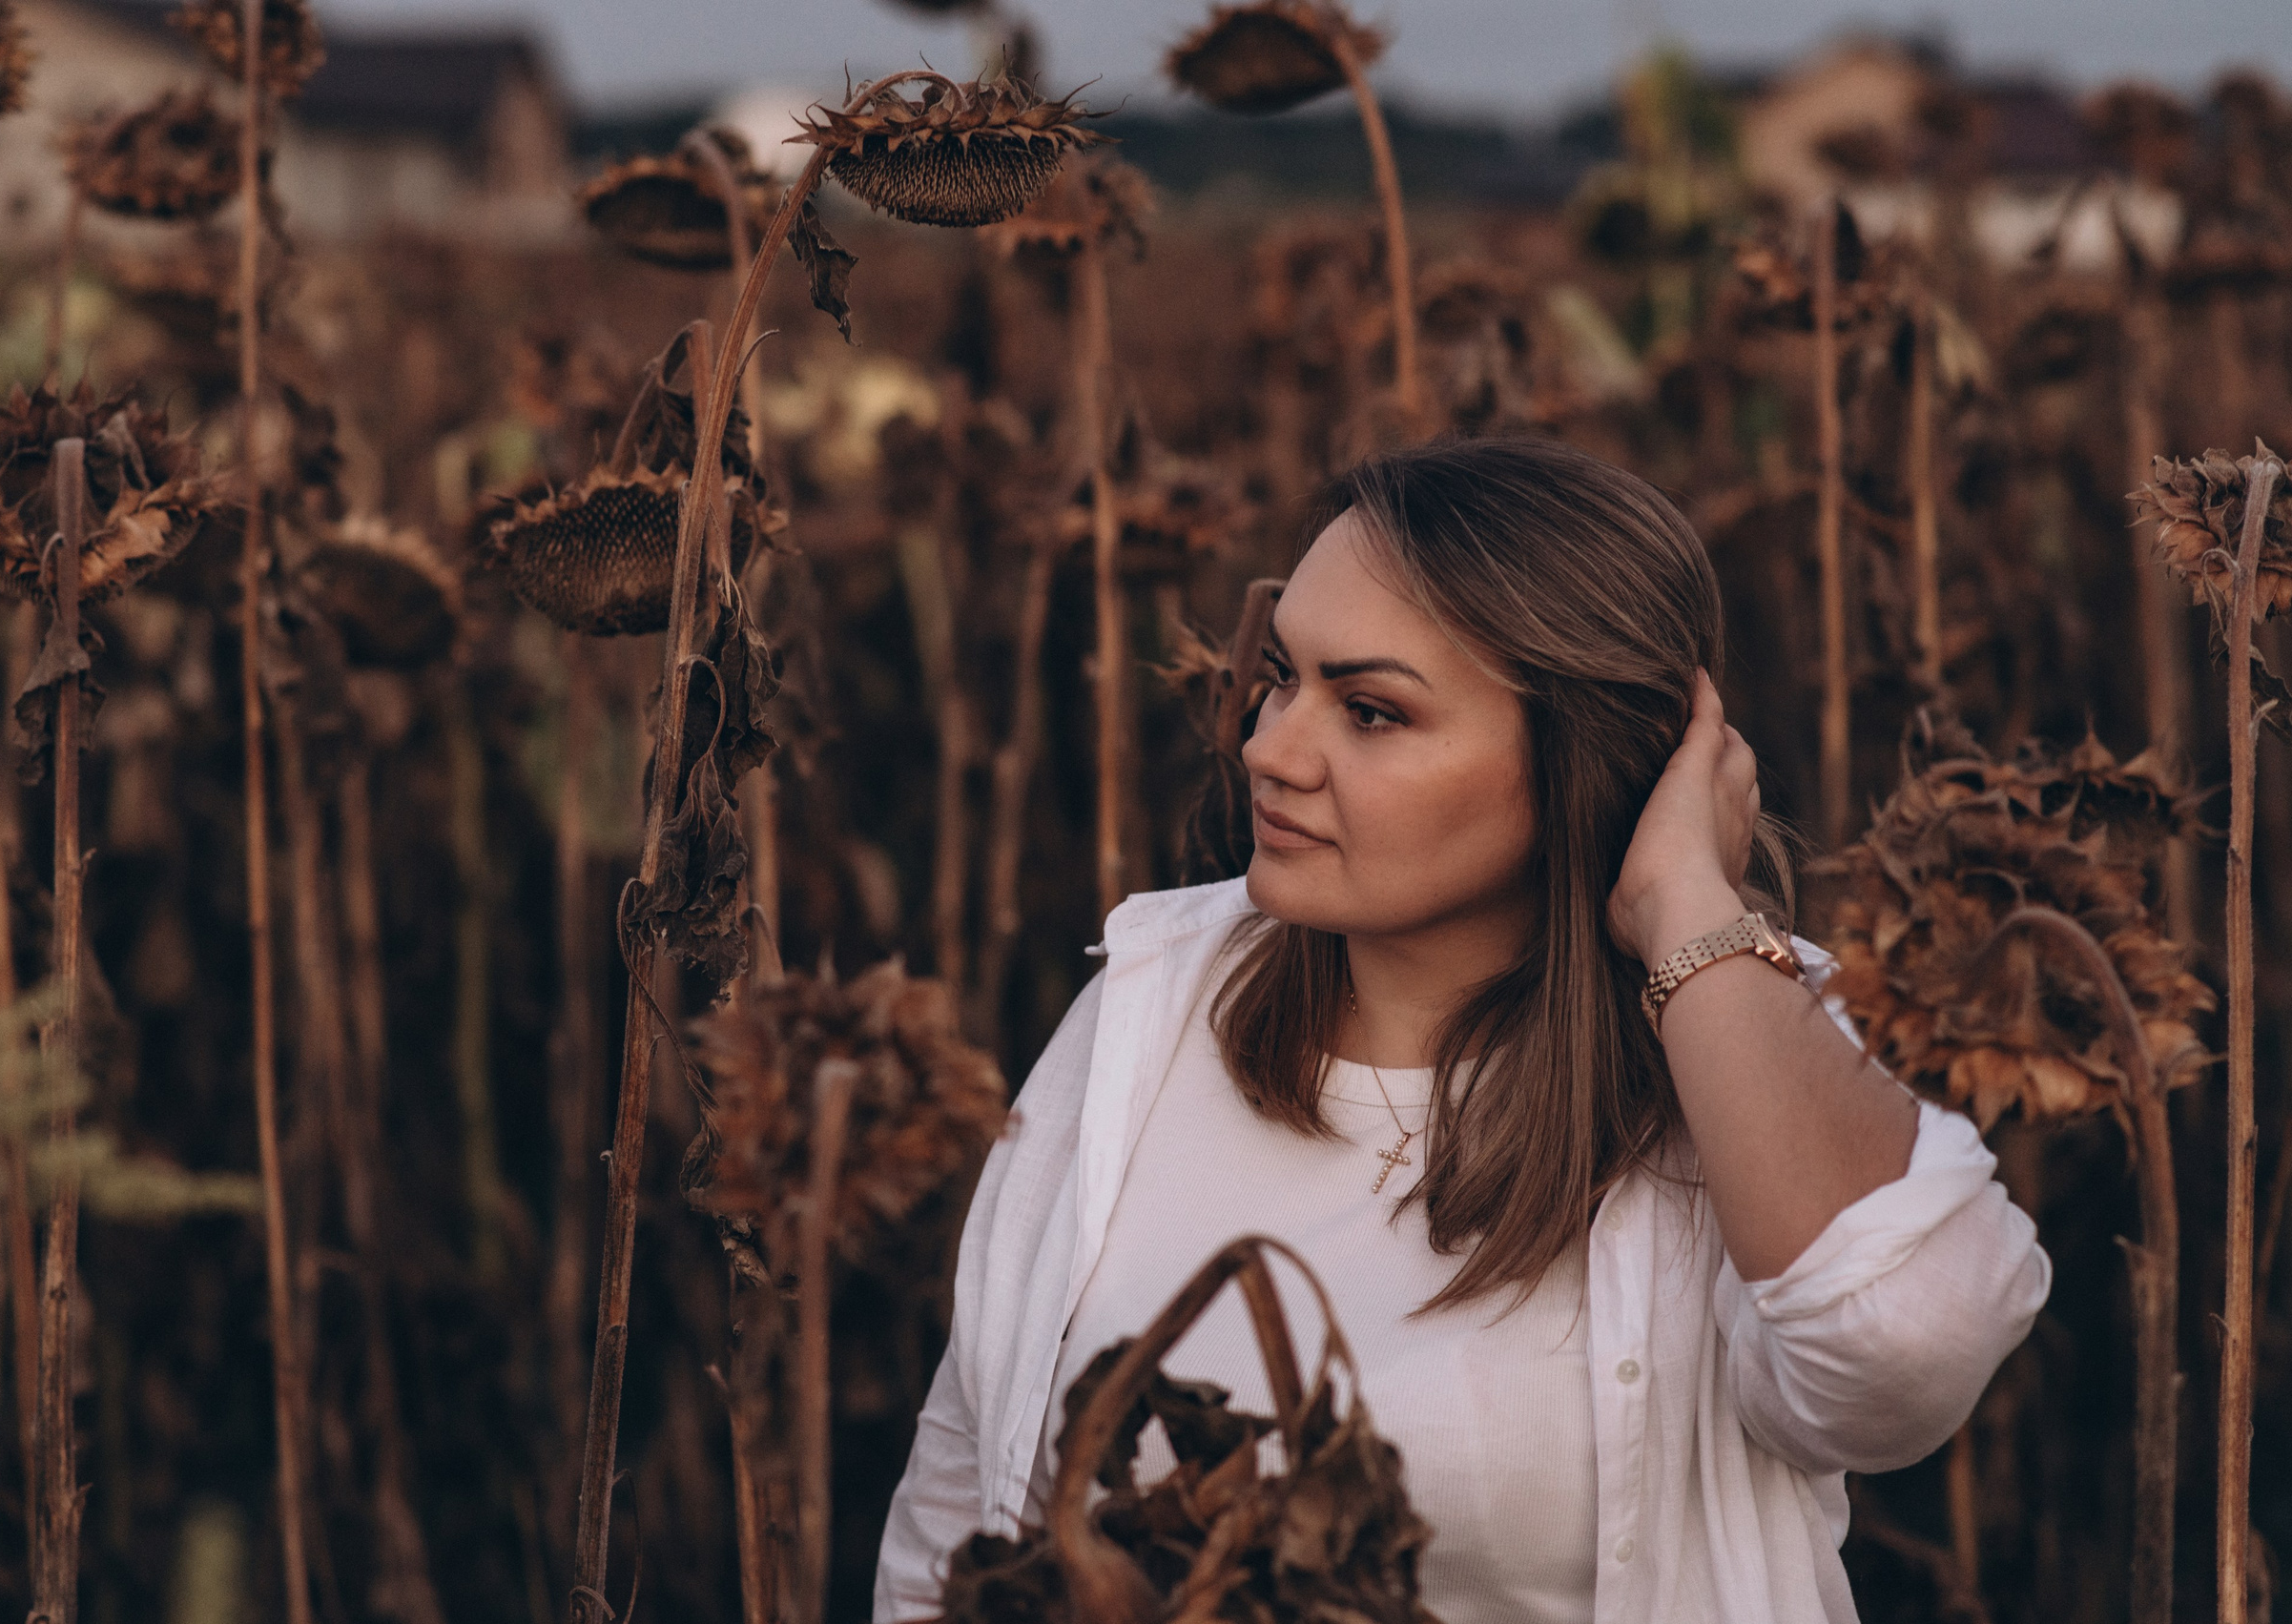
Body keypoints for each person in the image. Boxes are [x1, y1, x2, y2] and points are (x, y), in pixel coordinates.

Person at [872, 438, 2050, 1624]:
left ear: (1581, 755)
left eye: (1371, 711)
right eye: (1283, 677)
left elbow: (1906, 1350)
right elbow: (959, 1513)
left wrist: (1687, 902)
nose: (1267, 748)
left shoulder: (1729, 1048)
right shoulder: (1147, 1006)